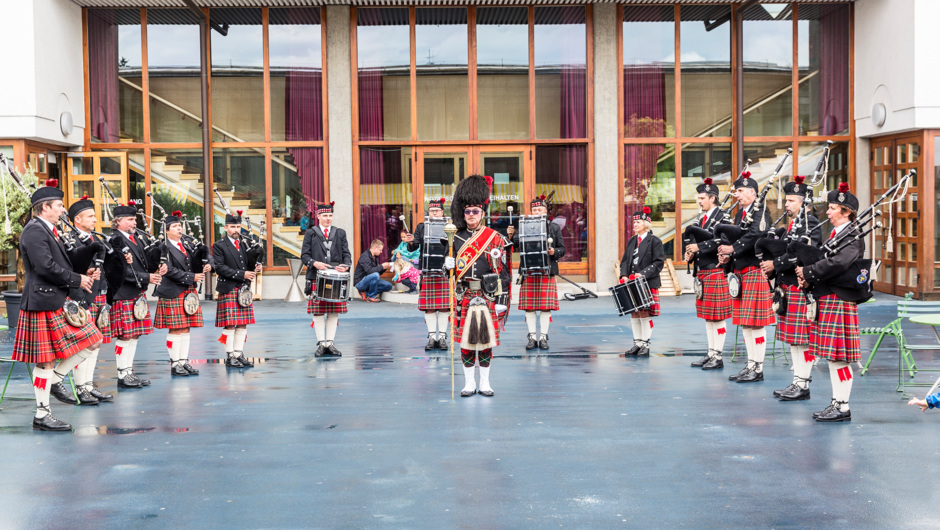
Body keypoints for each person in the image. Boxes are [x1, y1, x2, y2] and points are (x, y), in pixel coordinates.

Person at [12, 179, 103, 430]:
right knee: (45, 361)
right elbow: (45, 267)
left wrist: (89, 256)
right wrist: (78, 279)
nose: (64, 210)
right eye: (60, 206)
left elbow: (65, 261)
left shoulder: (49, 229)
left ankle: (55, 379)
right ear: (45, 208)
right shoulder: (34, 231)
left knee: (93, 339)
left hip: (56, 299)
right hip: (42, 300)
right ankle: (42, 414)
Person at [797, 182, 864, 422]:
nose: (827, 212)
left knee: (840, 357)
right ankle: (837, 401)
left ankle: (843, 406)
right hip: (829, 297)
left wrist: (809, 272)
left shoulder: (853, 236)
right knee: (833, 357)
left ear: (847, 212)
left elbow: (837, 264)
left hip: (840, 299)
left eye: (833, 208)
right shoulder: (836, 234)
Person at [444, 174, 511, 397]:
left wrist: (502, 302)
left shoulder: (495, 238)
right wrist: (447, 265)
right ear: (463, 213)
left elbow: (504, 274)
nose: (471, 215)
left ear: (483, 213)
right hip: (463, 295)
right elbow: (449, 274)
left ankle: (485, 383)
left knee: (485, 343)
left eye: (475, 211)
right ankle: (469, 383)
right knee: (465, 343)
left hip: (487, 296)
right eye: (467, 211)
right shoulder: (454, 237)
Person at [760, 176, 822, 401]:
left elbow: (802, 254)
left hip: (800, 286)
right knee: (793, 339)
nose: (786, 205)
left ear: (805, 203)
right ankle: (797, 381)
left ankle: (803, 384)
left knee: (802, 338)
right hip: (788, 286)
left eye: (792, 201)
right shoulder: (793, 224)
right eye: (786, 200)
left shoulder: (811, 224)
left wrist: (775, 264)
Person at [717, 172, 774, 383]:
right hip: (741, 272)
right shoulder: (741, 214)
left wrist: (733, 248)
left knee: (757, 323)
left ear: (752, 192)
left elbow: (756, 235)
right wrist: (727, 259)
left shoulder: (761, 211)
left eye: (740, 191)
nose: (737, 195)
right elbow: (738, 236)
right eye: (736, 191)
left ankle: (758, 368)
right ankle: (751, 364)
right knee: (746, 323)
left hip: (754, 270)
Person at [64, 195, 119, 405]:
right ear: (77, 219)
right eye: (90, 216)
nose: (95, 220)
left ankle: (88, 385)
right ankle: (80, 388)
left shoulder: (95, 239)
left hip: (99, 295)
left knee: (95, 344)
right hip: (83, 297)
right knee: (83, 344)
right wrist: (81, 302)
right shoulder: (71, 240)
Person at [108, 200, 165, 389]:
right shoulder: (114, 240)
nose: (135, 223)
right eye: (131, 220)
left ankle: (129, 371)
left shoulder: (136, 238)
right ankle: (122, 374)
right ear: (119, 221)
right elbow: (120, 272)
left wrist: (158, 261)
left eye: (135, 219)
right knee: (125, 335)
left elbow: (143, 263)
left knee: (135, 335)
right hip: (123, 293)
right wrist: (147, 277)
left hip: (136, 293)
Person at [155, 212, 212, 376]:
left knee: (186, 328)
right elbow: (169, 270)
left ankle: (183, 361)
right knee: (175, 329)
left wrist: (206, 265)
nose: (179, 228)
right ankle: (175, 364)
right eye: (175, 226)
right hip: (172, 291)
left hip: (188, 291)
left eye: (180, 226)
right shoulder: (163, 247)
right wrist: (192, 277)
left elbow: (200, 259)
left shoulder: (187, 244)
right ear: (167, 230)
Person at [506, 194, 566, 350]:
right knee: (530, 307)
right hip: (529, 270)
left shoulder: (554, 227)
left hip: (547, 271)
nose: (537, 212)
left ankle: (543, 337)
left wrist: (554, 252)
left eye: (539, 209)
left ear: (545, 211)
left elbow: (562, 249)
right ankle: (532, 337)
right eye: (534, 210)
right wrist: (511, 236)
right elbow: (515, 245)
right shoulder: (524, 225)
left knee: (545, 307)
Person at [684, 178, 731, 370]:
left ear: (713, 198)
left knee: (717, 316)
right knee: (708, 316)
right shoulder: (701, 219)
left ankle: (718, 356)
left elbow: (722, 240)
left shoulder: (724, 217)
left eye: (702, 198)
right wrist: (690, 254)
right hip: (703, 270)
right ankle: (711, 352)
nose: (699, 201)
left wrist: (699, 246)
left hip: (715, 269)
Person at [301, 202, 352, 357]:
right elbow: (304, 255)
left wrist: (346, 265)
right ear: (318, 216)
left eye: (330, 216)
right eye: (325, 216)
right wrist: (315, 263)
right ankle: (321, 344)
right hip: (317, 276)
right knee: (317, 312)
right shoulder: (311, 233)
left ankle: (329, 343)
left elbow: (346, 254)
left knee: (333, 312)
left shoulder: (340, 233)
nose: (328, 219)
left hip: (336, 277)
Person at [212, 209, 262, 368]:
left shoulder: (245, 243)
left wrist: (256, 267)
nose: (236, 230)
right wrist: (243, 274)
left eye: (238, 227)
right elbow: (219, 267)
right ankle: (229, 356)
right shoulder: (219, 245)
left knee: (242, 324)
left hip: (243, 289)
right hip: (229, 288)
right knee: (230, 324)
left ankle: (239, 354)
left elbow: (249, 264)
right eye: (232, 227)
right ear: (225, 228)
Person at [404, 198, 451, 351]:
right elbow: (413, 247)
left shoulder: (450, 226)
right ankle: (432, 337)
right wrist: (410, 242)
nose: (434, 213)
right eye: (432, 211)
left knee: (444, 307)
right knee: (429, 307)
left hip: (445, 271)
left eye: (437, 210)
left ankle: (442, 337)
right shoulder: (422, 227)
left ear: (442, 212)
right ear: (428, 212)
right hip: (428, 270)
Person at [619, 207, 665, 357]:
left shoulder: (655, 241)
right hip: (632, 282)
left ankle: (645, 344)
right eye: (634, 222)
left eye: (638, 222)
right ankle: (637, 343)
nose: (635, 224)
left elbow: (658, 263)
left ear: (646, 224)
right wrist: (624, 275)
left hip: (647, 282)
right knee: (634, 313)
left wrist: (642, 274)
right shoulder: (632, 241)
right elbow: (625, 260)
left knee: (645, 313)